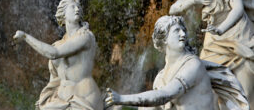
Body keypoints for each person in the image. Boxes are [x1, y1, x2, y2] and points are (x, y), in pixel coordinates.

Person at [169, 0, 254, 107]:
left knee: (244, 92)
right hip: (213, 42)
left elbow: (237, 8)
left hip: (238, 37)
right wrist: (195, 0)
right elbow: (173, 10)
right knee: (210, 86)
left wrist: (221, 29)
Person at [104, 16, 248, 110]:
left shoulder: (193, 64)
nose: (183, 34)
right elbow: (151, 105)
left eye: (183, 30)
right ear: (164, 39)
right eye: (177, 31)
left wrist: (122, 98)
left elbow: (165, 95)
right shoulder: (160, 78)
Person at [13, 0, 103, 110]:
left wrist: (25, 37)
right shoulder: (58, 44)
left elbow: (54, 53)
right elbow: (55, 80)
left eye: (78, 8)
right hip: (60, 100)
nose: (77, 9)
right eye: (72, 7)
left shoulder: (85, 36)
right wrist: (46, 99)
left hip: (85, 99)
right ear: (63, 14)